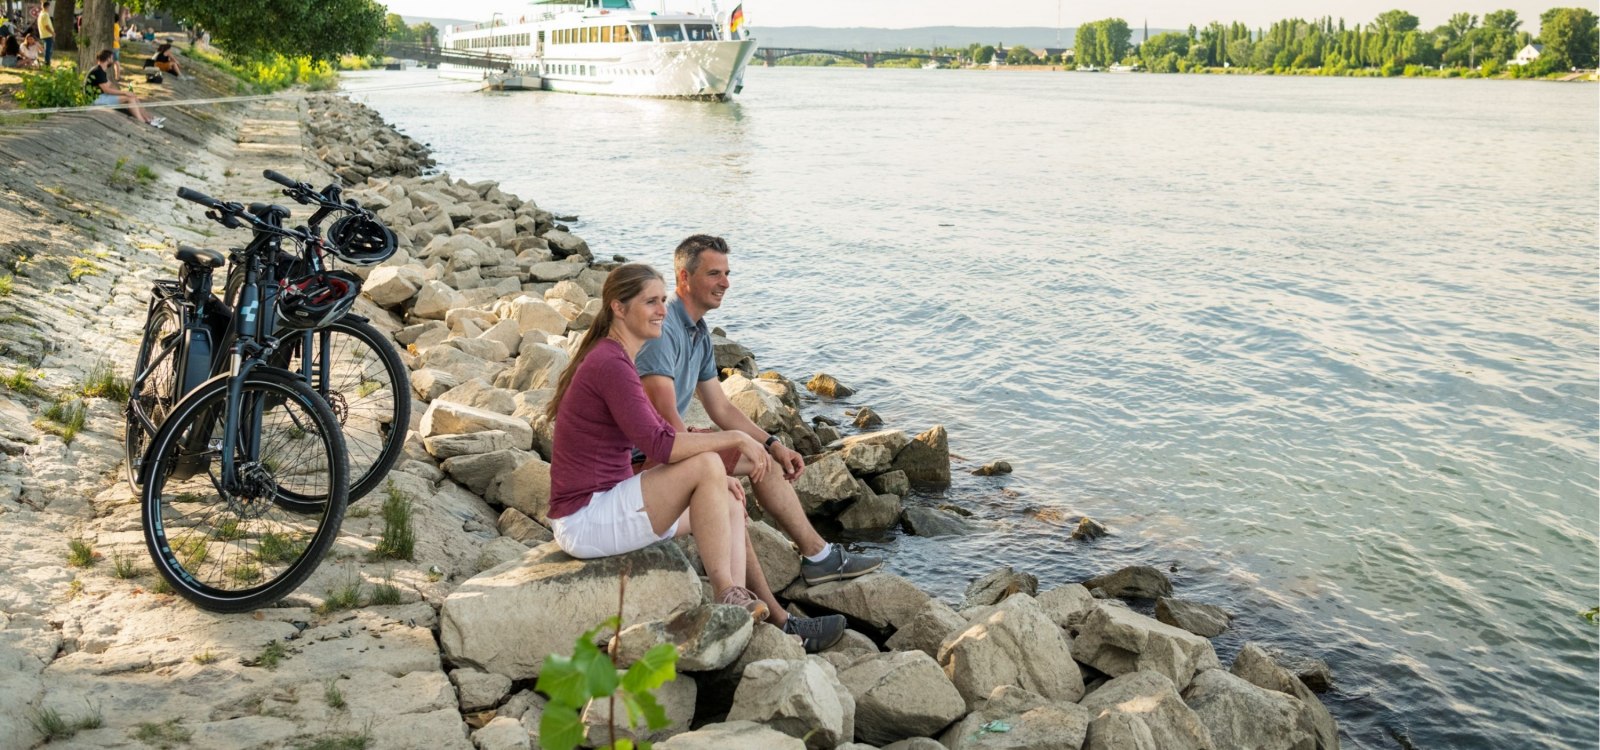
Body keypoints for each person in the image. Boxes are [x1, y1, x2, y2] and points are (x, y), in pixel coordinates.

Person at [634, 235, 884, 650]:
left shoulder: (697, 332)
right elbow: (666, 423)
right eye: (714, 273)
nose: (726, 282)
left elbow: (720, 407)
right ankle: (779, 617)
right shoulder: (664, 330)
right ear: (684, 277)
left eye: (727, 273)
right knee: (726, 494)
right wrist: (713, 469)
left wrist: (771, 442)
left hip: (672, 444)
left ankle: (817, 556)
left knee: (760, 458)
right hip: (648, 458)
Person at [544, 263, 781, 623]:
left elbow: (661, 431)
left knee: (728, 500)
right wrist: (735, 438)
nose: (662, 310)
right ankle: (725, 592)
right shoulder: (610, 363)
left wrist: (717, 483)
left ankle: (736, 610)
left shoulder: (617, 357)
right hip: (585, 518)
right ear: (618, 308)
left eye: (662, 300)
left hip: (607, 505)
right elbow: (662, 446)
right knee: (707, 464)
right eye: (650, 302)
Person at [85, 49, 163, 128]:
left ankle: (149, 118)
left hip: (102, 96)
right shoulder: (98, 71)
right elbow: (106, 90)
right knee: (129, 99)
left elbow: (110, 85)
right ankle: (142, 121)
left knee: (133, 96)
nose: (113, 60)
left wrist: (123, 92)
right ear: (108, 59)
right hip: (96, 99)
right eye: (112, 58)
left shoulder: (101, 70)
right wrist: (125, 93)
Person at [35, 1, 51, 66]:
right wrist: (52, 32)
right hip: (47, 34)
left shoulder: (41, 14)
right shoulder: (45, 14)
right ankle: (47, 63)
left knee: (46, 49)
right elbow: (46, 26)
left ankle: (46, 62)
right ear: (47, 7)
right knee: (48, 50)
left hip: (43, 34)